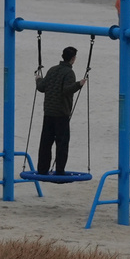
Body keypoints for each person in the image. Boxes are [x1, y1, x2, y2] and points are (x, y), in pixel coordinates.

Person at [35, 45, 87, 175]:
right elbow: (67, 90)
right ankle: (59, 170)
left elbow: (41, 87)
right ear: (73, 59)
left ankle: (42, 169)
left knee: (46, 142)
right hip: (61, 113)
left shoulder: (52, 70)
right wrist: (79, 84)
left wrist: (38, 79)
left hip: (48, 112)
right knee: (62, 143)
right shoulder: (69, 73)